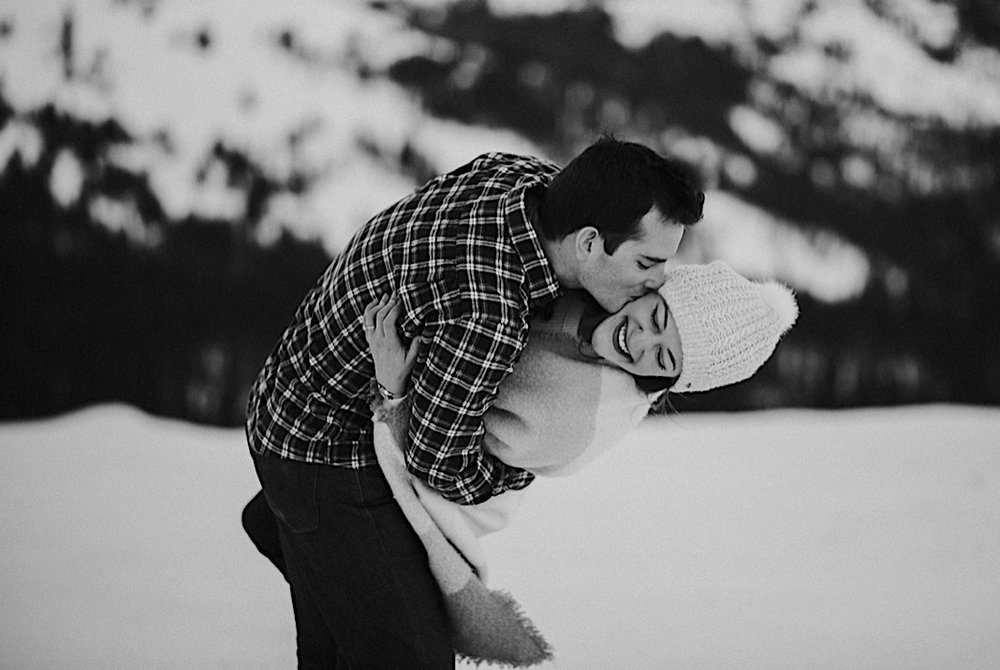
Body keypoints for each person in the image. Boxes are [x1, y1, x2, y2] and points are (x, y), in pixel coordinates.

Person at [241, 136, 705, 668]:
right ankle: (302, 529)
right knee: (411, 656)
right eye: (647, 262)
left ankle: (306, 541)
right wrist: (516, 471)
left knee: (340, 652)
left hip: (287, 395)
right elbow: (440, 465)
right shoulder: (491, 311)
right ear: (589, 243)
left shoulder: (523, 180)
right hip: (322, 449)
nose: (657, 281)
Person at [361, 260, 798, 665]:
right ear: (656, 289)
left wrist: (393, 389)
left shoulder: (576, 416)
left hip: (397, 502)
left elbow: (442, 462)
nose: (640, 340)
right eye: (659, 319)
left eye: (664, 358)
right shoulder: (596, 281)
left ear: (667, 380)